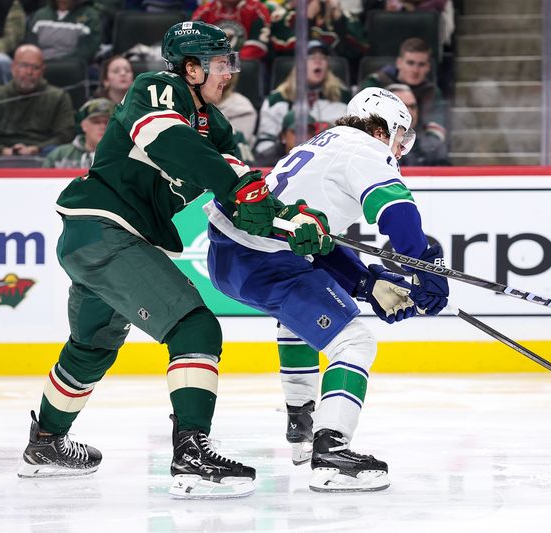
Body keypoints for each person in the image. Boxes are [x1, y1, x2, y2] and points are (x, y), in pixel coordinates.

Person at [17, 21, 327, 499]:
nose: (229, 72)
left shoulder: (218, 126)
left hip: (102, 241)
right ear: (190, 68)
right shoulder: (156, 88)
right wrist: (242, 190)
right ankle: (190, 455)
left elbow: (244, 195)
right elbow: (170, 144)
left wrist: (291, 223)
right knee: (195, 328)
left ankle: (45, 444)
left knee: (91, 347)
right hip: (106, 229)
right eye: (221, 63)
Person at [204, 87, 450, 492]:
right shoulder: (366, 149)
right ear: (379, 126)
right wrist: (424, 265)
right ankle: (332, 449)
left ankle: (302, 421)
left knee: (297, 317)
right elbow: (398, 214)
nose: (400, 148)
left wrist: (367, 284)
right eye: (399, 134)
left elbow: (316, 244)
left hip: (232, 255)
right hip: (267, 261)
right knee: (354, 342)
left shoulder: (324, 144)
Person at [254, 39, 350, 159]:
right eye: (311, 56)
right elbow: (264, 143)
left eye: (323, 57)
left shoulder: (343, 98)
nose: (318, 60)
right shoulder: (276, 99)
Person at [0, 44, 73, 157]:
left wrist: (37, 149)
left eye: (35, 67)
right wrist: (2, 150)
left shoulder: (58, 97)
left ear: (43, 71)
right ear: (12, 68)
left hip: (43, 155)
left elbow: (65, 135)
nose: (29, 72)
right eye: (24, 66)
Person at [360, 37, 446, 145]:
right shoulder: (375, 84)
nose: (415, 70)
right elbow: (362, 121)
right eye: (410, 63)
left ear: (428, 67)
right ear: (399, 62)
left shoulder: (431, 92)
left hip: (419, 150)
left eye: (421, 64)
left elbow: (436, 131)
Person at [267, 0, 367, 61]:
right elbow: (289, 54)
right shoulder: (286, 16)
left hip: (335, 74)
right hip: (299, 75)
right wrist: (307, 20)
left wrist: (339, 21)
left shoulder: (343, 18)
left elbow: (354, 54)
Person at [387, 83, 448, 166]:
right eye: (403, 106)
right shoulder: (372, 145)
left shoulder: (433, 145)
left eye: (412, 107)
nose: (409, 112)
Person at [43, 97, 113, 168]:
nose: (103, 127)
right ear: (84, 125)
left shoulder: (123, 157)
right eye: (96, 122)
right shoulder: (60, 155)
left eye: (108, 122)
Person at [191, 0, 271, 61]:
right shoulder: (204, 11)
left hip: (244, 66)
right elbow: (193, 44)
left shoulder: (257, 9)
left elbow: (258, 46)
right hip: (211, 64)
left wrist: (227, 60)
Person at [25, 0, 103, 62]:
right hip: (40, 65)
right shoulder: (40, 15)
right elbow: (31, 45)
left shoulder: (90, 16)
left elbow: (88, 49)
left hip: (73, 67)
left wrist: (60, 62)